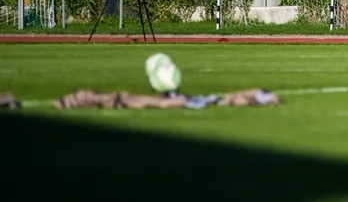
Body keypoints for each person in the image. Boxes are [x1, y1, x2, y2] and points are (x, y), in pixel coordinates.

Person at [55, 88, 280, 110]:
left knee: (134, 100)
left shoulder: (225, 100)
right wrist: (268, 98)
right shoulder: (226, 99)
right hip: (187, 100)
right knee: (139, 101)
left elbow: (241, 98)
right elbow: (246, 95)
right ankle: (84, 98)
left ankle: (83, 98)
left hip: (189, 101)